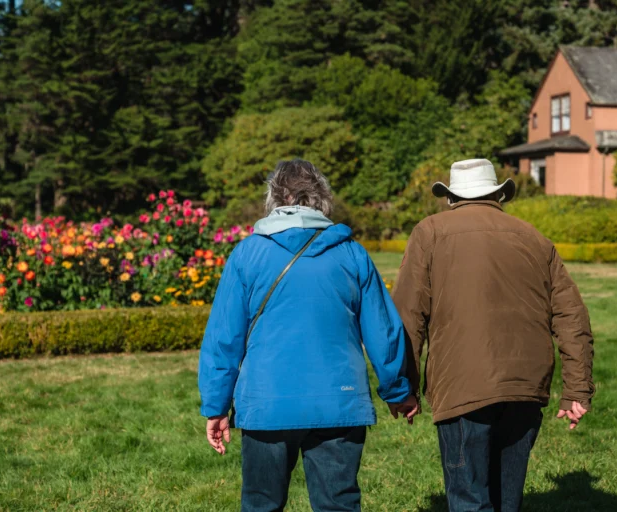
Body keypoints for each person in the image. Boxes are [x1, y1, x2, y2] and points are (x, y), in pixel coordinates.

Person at [198, 159, 419, 512]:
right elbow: (384, 330)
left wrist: (216, 406)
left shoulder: (247, 254)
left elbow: (224, 339)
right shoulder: (351, 252)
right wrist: (397, 390)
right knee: (338, 504)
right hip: (339, 402)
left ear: (273, 198)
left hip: (265, 403)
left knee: (261, 504)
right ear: (321, 198)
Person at [393, 158, 595, 512]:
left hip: (462, 385)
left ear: (451, 197)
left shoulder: (429, 232)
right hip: (525, 388)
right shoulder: (534, 238)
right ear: (500, 195)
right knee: (507, 500)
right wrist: (576, 390)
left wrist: (403, 387)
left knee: (470, 499)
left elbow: (408, 316)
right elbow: (571, 317)